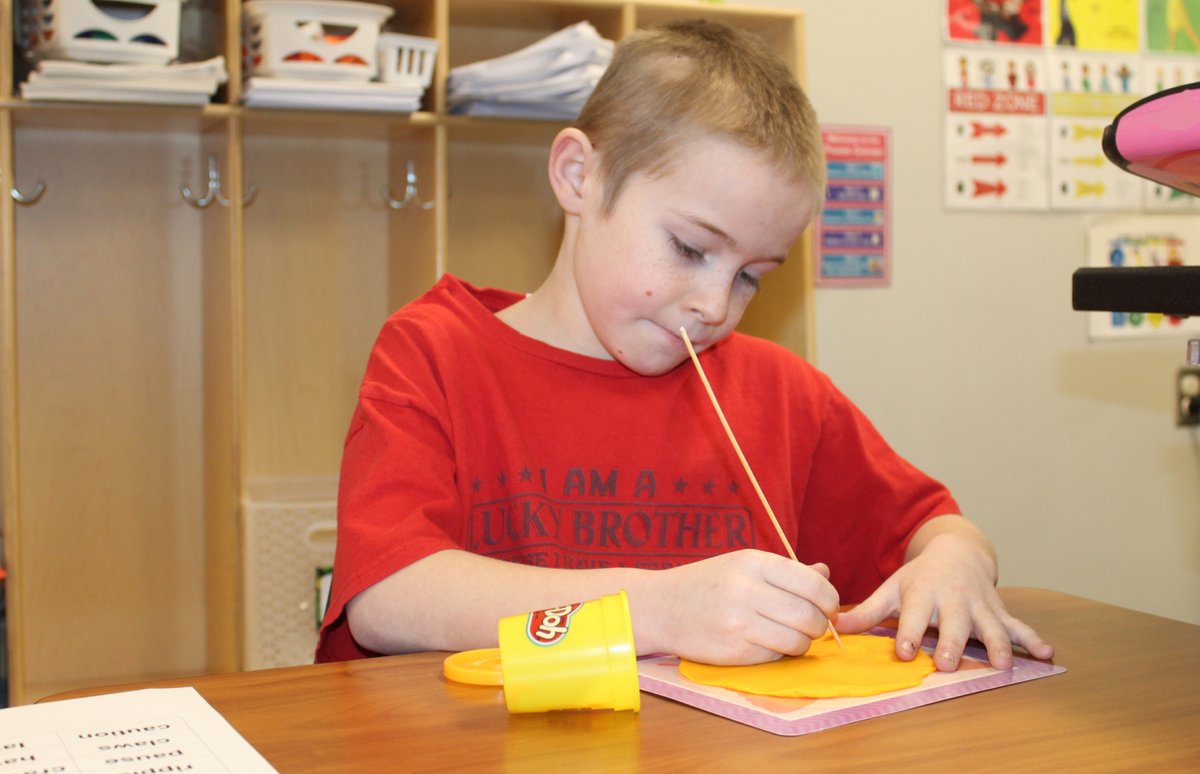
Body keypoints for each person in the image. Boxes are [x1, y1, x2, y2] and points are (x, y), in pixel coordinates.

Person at [316, 19, 1053, 672]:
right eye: (691, 248)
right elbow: (387, 598)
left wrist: (957, 561)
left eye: (751, 277)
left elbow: (936, 527)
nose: (715, 305)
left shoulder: (781, 393)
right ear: (579, 175)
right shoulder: (437, 353)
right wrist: (657, 609)